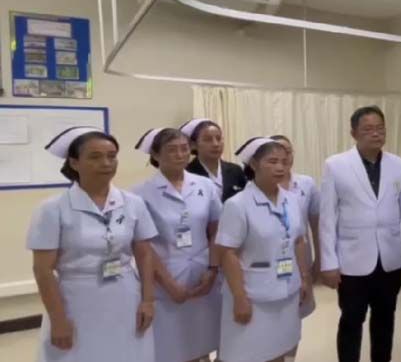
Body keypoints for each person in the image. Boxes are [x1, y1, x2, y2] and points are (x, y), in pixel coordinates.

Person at [27, 127, 157, 362]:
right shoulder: (52, 209)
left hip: (125, 295)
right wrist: (58, 320)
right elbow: (43, 270)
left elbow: (145, 254)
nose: (106, 163)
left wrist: (148, 300)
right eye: (95, 157)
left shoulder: (133, 203)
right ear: (74, 163)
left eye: (112, 156)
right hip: (77, 299)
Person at [317, 106, 401, 362]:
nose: (376, 134)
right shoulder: (336, 165)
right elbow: (327, 218)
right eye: (368, 129)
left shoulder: (399, 165)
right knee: (351, 320)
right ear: (354, 133)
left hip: (389, 259)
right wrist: (329, 262)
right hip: (352, 260)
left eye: (380, 128)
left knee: (385, 320)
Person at [215, 137, 311, 362]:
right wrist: (240, 297)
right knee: (248, 354)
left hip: (287, 291)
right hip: (253, 296)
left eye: (284, 161)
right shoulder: (238, 204)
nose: (280, 167)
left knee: (280, 350)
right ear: (254, 164)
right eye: (272, 161)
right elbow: (227, 253)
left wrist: (304, 278)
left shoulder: (292, 200)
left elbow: (298, 240)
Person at [133, 128, 223, 362]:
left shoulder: (205, 185)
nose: (181, 155)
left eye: (184, 149)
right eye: (172, 150)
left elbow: (216, 229)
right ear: (155, 154)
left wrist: (213, 269)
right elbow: (144, 246)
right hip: (165, 277)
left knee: (204, 340)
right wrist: (169, 284)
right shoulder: (141, 193)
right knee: (174, 348)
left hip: (204, 275)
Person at [270, 134, 320, 320]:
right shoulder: (259, 187)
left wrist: (319, 260)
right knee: (273, 311)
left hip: (300, 257)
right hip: (270, 258)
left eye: (288, 152)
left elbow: (316, 225)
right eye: (277, 153)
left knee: (299, 308)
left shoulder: (306, 184)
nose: (284, 157)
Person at [180, 118, 247, 202]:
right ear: (193, 145)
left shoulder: (235, 170)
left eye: (219, 138)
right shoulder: (187, 173)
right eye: (208, 139)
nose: (216, 144)